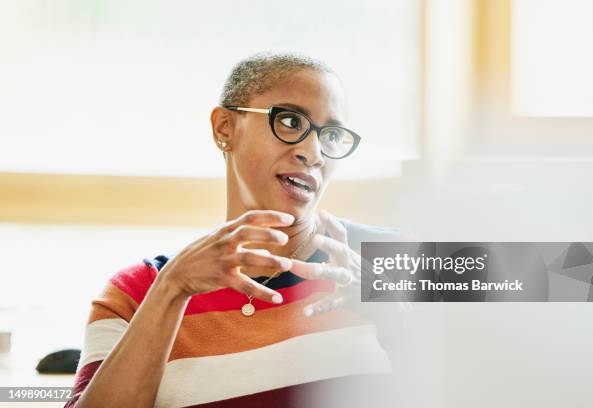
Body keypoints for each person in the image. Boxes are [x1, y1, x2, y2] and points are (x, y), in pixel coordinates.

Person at [66, 52, 409, 408]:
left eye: (332, 135)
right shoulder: (137, 292)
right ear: (225, 129)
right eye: (291, 121)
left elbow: (467, 382)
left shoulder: (400, 260)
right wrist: (172, 290)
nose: (313, 152)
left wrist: (398, 321)